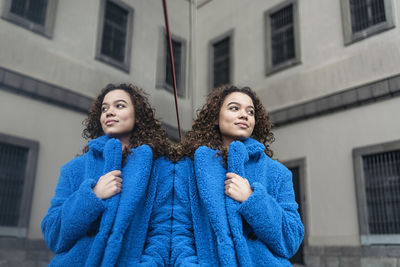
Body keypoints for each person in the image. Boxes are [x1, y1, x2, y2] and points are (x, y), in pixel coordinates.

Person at [41, 83, 173, 266]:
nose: (109, 112)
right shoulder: (74, 169)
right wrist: (92, 196)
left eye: (119, 105)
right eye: (104, 108)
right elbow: (53, 235)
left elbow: (164, 234)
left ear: (137, 116)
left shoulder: (160, 168)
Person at [172, 85, 304, 266]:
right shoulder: (190, 167)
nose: (244, 115)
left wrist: (251, 198)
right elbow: (179, 231)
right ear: (216, 117)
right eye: (234, 108)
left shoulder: (278, 173)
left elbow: (291, 241)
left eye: (250, 112)